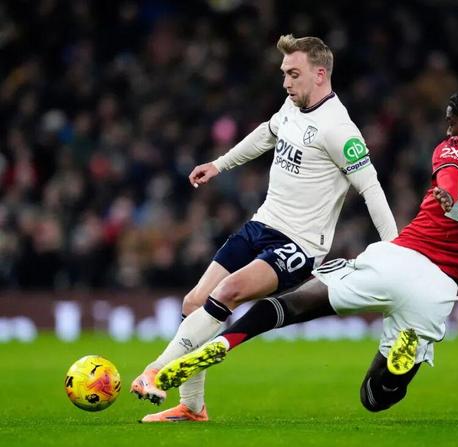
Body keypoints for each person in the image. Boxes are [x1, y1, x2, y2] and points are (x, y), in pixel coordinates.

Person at [153, 83, 458, 413]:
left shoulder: (457, 147)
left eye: (451, 119)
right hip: (438, 292)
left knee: (290, 305)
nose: (447, 127)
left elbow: (452, 172)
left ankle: (226, 342)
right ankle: (398, 363)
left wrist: (449, 192)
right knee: (376, 398)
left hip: (398, 258)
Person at [131, 34, 398, 422]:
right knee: (193, 304)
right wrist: (219, 164)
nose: (285, 82)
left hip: (299, 244)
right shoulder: (292, 106)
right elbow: (267, 133)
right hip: (262, 224)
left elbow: (371, 188)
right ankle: (192, 406)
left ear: (320, 74)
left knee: (228, 292)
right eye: (284, 74)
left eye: (293, 74)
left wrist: (394, 249)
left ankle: (156, 370)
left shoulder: (339, 130)